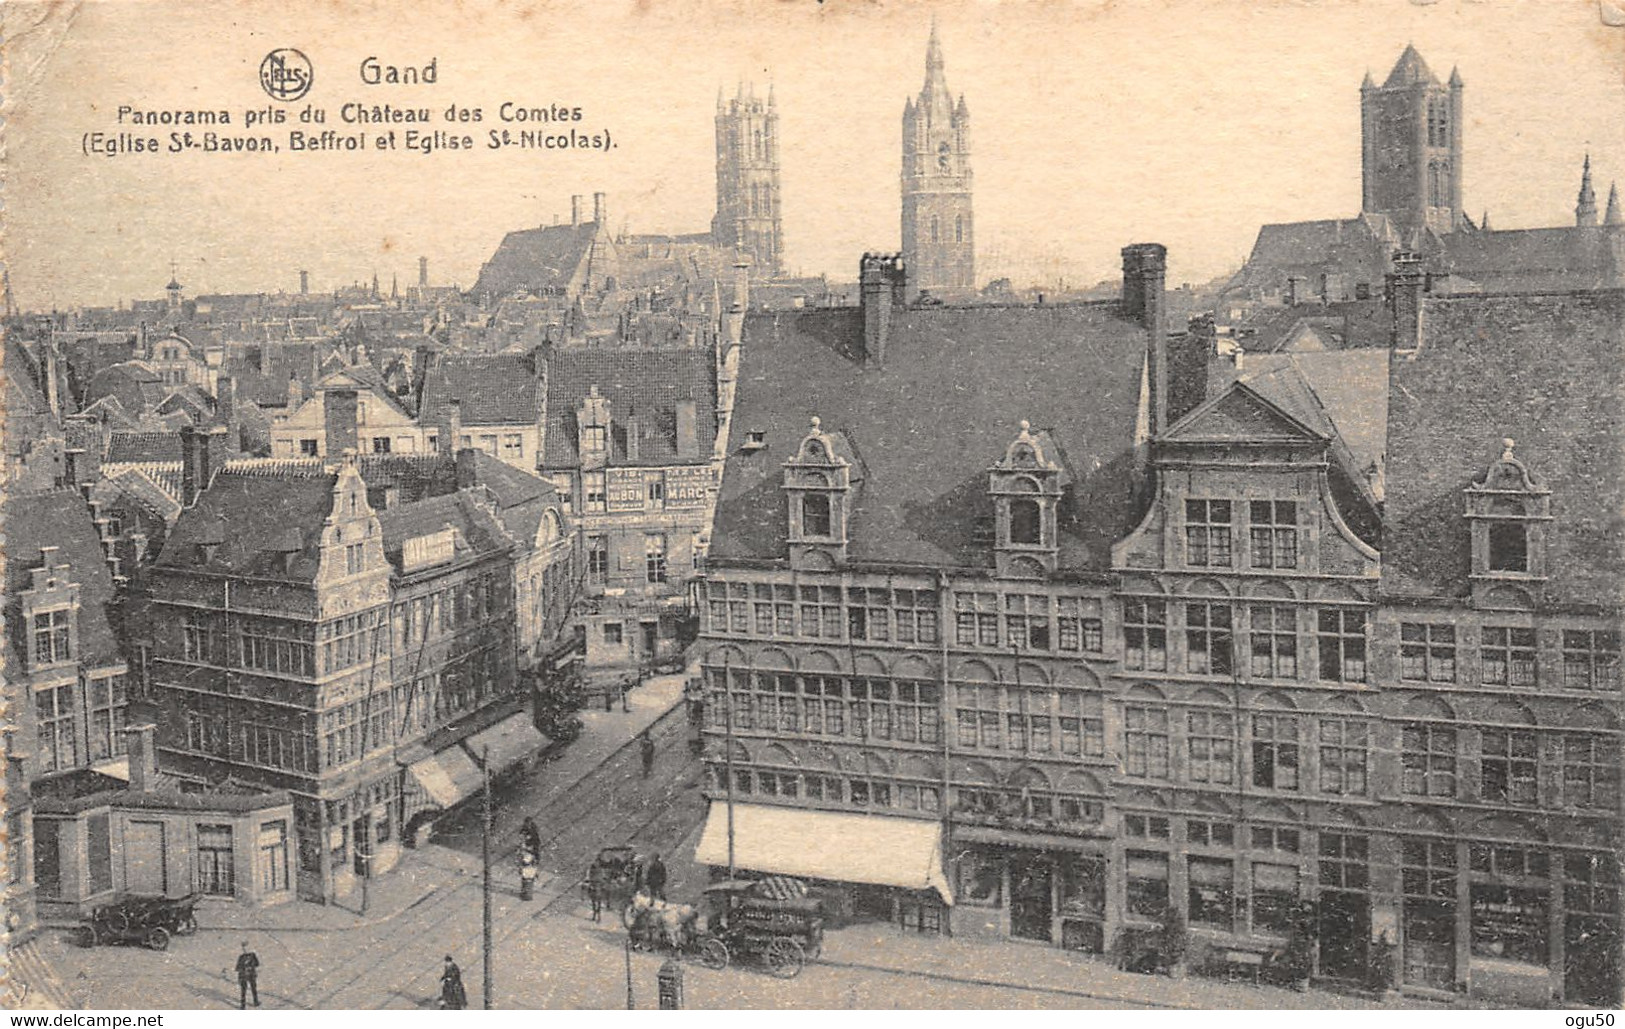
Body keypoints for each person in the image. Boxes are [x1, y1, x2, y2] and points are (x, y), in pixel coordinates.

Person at [235, 941, 260, 1008]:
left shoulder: (242, 957)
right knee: (252, 989)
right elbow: (257, 964)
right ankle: (255, 1002)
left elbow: (237, 968)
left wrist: (244, 968)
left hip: (245, 975)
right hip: (250, 975)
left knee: (245, 990)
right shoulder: (252, 955)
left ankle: (243, 1005)